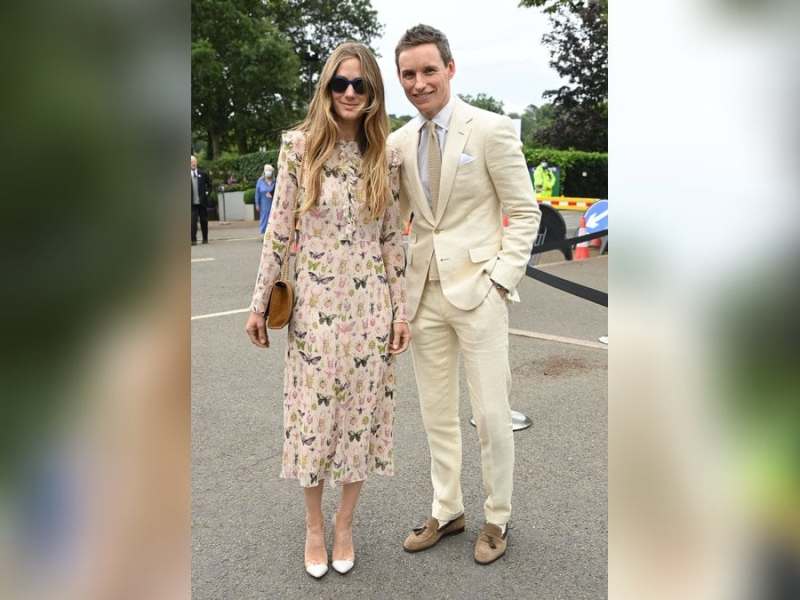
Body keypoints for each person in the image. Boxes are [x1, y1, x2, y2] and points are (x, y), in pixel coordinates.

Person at [244, 42, 410, 580]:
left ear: (373, 92)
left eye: (359, 85)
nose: (348, 93)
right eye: (339, 83)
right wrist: (257, 303)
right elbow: (279, 231)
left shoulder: (386, 156)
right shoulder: (299, 148)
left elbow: (391, 240)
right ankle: (314, 525)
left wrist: (400, 312)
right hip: (314, 308)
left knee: (360, 420)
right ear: (326, 87)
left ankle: (344, 524)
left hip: (369, 310)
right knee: (314, 420)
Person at [388, 24, 541, 565]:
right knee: (435, 414)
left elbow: (525, 212)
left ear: (450, 69)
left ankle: (497, 516)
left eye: (429, 70)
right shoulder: (398, 143)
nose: (419, 82)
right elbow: (392, 220)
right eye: (409, 74)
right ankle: (447, 508)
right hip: (422, 293)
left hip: (479, 292)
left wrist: (501, 280)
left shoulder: (491, 130)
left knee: (491, 414)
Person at [190, 155, 213, 245]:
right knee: (192, 223)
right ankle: (193, 240)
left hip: (202, 203)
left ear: (197, 163)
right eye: (191, 162)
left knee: (204, 221)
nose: (193, 164)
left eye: (194, 162)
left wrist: (207, 194)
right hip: (192, 204)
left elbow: (210, 185)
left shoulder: (203, 174)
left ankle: (205, 238)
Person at [255, 163, 276, 234]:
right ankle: (263, 233)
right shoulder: (260, 181)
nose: (268, 172)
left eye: (269, 170)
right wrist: (257, 204)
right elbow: (257, 193)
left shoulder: (274, 181)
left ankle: (271, 233)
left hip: (273, 203)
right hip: (263, 203)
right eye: (267, 170)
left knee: (272, 218)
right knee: (264, 218)